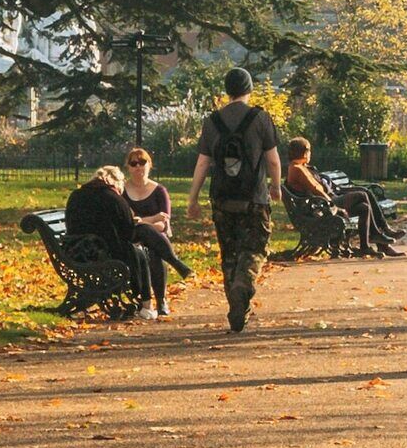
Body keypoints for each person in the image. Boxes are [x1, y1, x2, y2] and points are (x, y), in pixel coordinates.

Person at [192, 66, 280, 330]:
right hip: (254, 199)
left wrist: (193, 198)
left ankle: (236, 308)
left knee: (229, 254)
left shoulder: (212, 121)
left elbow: (202, 163)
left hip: (221, 199)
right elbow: (273, 161)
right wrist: (275, 187)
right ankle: (245, 285)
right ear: (249, 89)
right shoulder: (260, 118)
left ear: (227, 91)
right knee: (254, 249)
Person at [64, 162, 177, 319]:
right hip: (101, 252)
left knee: (140, 244)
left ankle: (172, 268)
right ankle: (147, 305)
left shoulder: (76, 195)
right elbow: (127, 232)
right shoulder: (114, 198)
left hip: (76, 250)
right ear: (116, 182)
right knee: (139, 252)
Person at [119, 144, 181, 316]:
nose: (138, 166)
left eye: (142, 162)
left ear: (149, 164)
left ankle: (161, 300)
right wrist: (151, 220)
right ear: (128, 168)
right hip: (132, 238)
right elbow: (127, 222)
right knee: (139, 250)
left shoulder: (159, 191)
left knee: (155, 251)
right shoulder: (122, 191)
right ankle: (142, 299)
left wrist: (142, 223)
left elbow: (164, 223)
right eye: (134, 163)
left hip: (157, 238)